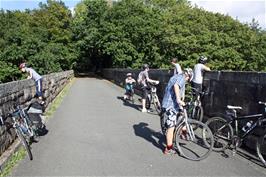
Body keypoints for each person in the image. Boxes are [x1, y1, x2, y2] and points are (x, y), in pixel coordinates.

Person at [161, 68, 194, 155]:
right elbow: (176, 86)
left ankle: (182, 131)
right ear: (188, 76)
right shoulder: (181, 78)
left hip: (169, 103)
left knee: (182, 114)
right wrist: (179, 100)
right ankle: (168, 148)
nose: (187, 81)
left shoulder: (176, 76)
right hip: (170, 105)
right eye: (188, 79)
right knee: (171, 128)